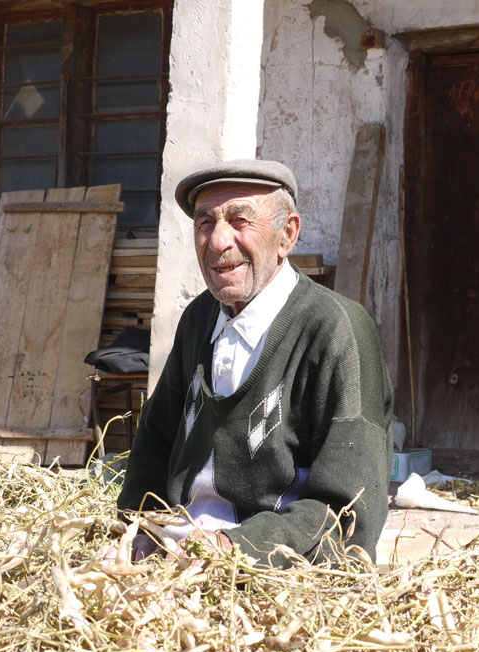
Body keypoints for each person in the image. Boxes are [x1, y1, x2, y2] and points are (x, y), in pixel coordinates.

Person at [117, 159, 393, 567]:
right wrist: (138, 528)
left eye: (240, 220)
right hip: (179, 557)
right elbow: (154, 446)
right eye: (205, 223)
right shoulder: (199, 319)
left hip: (269, 573)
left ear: (288, 235)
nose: (217, 241)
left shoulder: (336, 331)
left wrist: (236, 549)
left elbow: (348, 512)